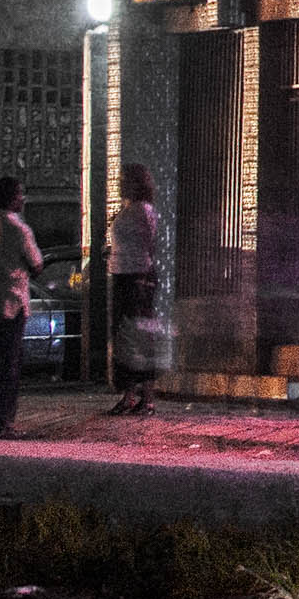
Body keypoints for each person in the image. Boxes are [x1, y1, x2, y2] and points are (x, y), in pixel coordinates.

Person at [0, 174, 42, 439]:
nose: (23, 198)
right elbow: (36, 264)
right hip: (11, 299)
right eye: (20, 194)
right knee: (9, 365)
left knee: (4, 360)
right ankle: (0, 423)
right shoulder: (17, 227)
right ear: (13, 197)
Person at [104, 164, 165, 416]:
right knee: (125, 338)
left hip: (137, 277)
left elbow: (149, 244)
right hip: (121, 274)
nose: (120, 184)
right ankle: (129, 394)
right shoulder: (127, 209)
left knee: (140, 336)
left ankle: (147, 397)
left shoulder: (143, 210)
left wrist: (144, 277)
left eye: (124, 180)